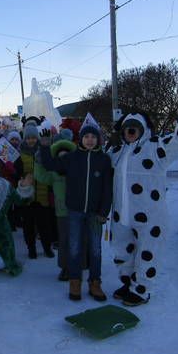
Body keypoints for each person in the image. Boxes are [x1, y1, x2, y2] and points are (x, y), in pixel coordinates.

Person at [106, 93, 178, 306]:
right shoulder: (115, 152)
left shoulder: (155, 147)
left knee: (147, 253)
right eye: (127, 129)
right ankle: (128, 281)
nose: (130, 132)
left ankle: (141, 289)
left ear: (142, 130)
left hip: (150, 216)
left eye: (134, 129)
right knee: (122, 251)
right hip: (121, 214)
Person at [40, 122, 113, 301]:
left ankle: (95, 283)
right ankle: (75, 282)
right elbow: (50, 165)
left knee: (95, 250)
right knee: (74, 248)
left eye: (93, 137)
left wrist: (104, 211)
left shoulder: (104, 160)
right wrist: (44, 146)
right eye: (86, 137)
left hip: (95, 213)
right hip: (74, 211)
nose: (89, 140)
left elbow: (107, 188)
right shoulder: (72, 158)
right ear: (81, 139)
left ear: (98, 140)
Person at [34, 136, 77, 281]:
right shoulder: (54, 173)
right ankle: (65, 268)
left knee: (77, 240)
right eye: (60, 156)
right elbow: (41, 177)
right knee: (64, 240)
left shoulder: (77, 170)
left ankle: (78, 266)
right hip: (62, 211)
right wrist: (39, 162)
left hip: (78, 209)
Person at [18, 122, 54, 259]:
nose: (31, 140)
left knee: (45, 224)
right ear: (25, 139)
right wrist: (21, 177)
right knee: (28, 225)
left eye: (33, 138)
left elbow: (49, 167)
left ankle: (47, 247)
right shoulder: (20, 154)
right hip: (27, 196)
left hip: (42, 194)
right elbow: (17, 172)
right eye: (28, 138)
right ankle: (31, 248)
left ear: (37, 138)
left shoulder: (43, 151)